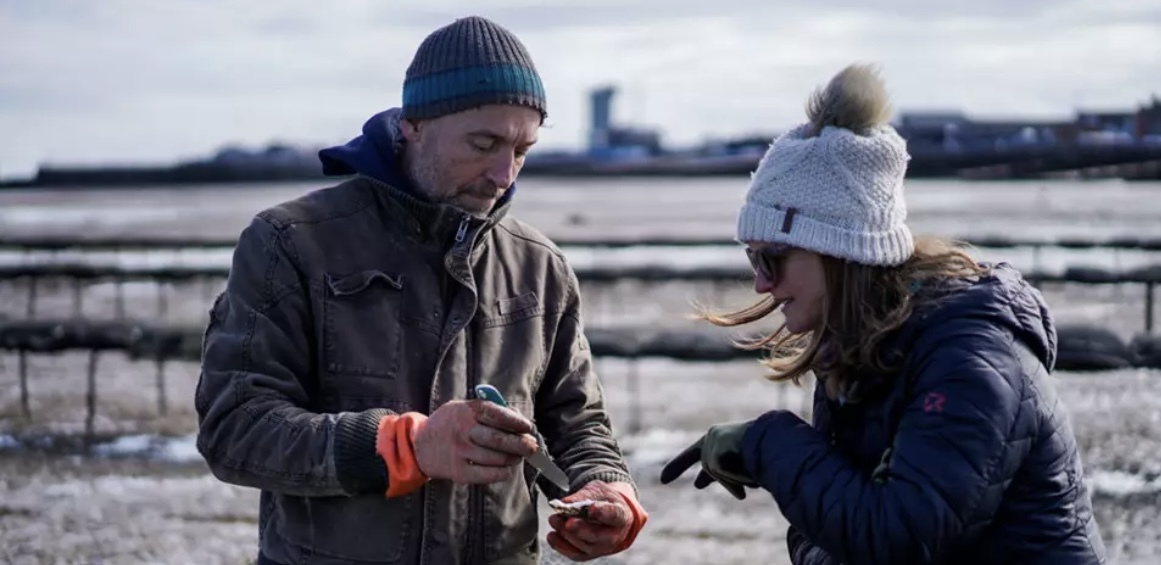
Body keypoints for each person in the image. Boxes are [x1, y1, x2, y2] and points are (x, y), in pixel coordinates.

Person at [195, 16, 647, 565]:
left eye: (522, 150)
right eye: (484, 144)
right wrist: (402, 447)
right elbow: (235, 426)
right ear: (414, 124)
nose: (505, 173)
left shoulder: (540, 265)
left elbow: (576, 421)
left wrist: (604, 486)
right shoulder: (291, 244)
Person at [658, 64, 1107, 563]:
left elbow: (896, 538)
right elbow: (842, 534)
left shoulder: (969, 357)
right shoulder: (860, 349)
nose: (762, 282)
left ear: (838, 251)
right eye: (752, 259)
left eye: (772, 258)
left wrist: (772, 445)